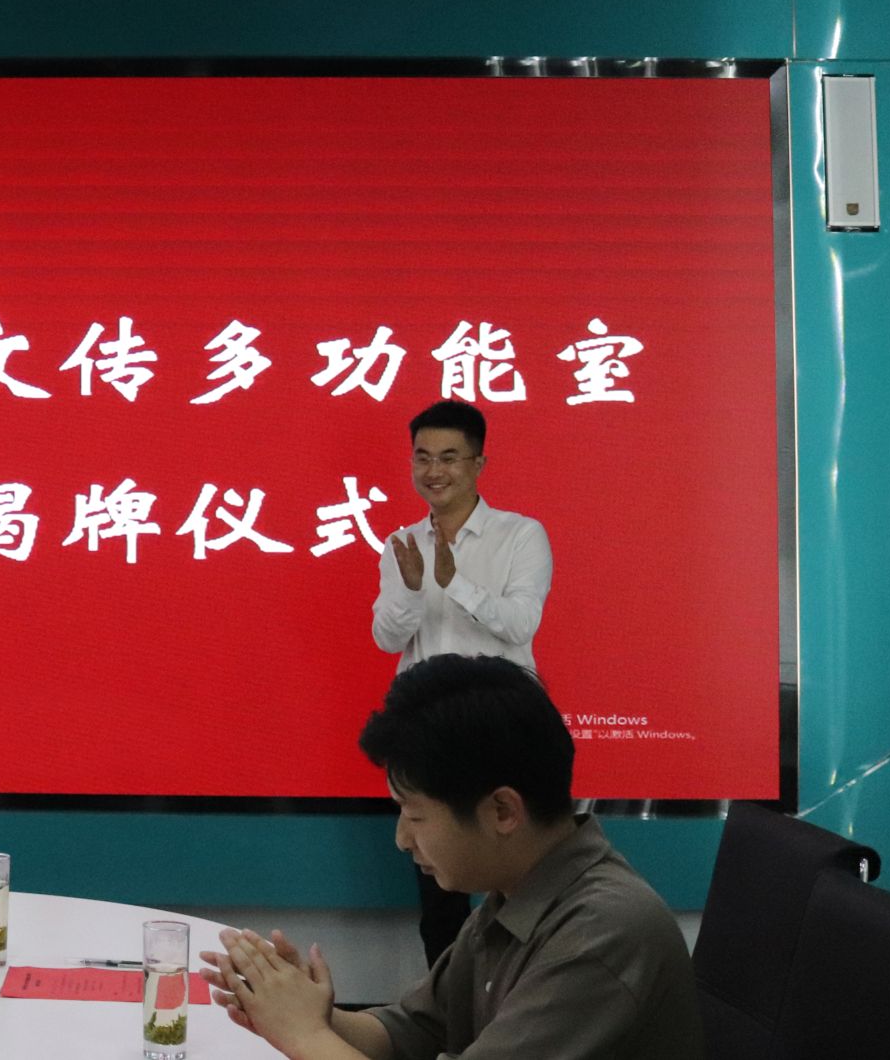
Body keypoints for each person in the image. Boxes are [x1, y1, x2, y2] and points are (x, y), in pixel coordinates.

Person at [201, 654, 700, 1060]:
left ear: (502, 811)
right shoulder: (515, 895)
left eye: (414, 815)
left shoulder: (601, 935)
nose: (402, 839)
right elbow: (409, 1032)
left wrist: (305, 1034)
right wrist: (303, 1009)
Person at [371, 400, 552, 965]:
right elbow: (387, 637)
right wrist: (411, 589)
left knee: (517, 884)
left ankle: (520, 1003)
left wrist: (456, 584)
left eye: (449, 457)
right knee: (439, 900)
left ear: (478, 464)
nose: (434, 471)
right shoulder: (403, 544)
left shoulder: (520, 535)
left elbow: (521, 623)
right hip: (427, 733)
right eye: (422, 457)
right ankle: (446, 1010)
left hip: (504, 730)